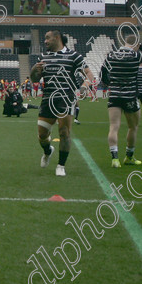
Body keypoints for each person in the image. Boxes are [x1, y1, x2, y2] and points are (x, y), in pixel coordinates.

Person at [30, 30, 93, 177]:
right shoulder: (43, 57)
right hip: (48, 99)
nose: (45, 41)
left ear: (57, 38)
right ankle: (48, 151)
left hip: (66, 99)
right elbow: (34, 80)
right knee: (42, 135)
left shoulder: (74, 56)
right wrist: (34, 70)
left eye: (47, 38)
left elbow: (89, 74)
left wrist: (84, 86)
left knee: (64, 132)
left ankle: (61, 165)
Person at [102, 30, 142, 168]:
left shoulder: (111, 55)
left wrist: (109, 83)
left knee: (113, 127)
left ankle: (114, 159)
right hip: (130, 95)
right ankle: (129, 157)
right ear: (135, 45)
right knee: (133, 127)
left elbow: (103, 73)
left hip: (114, 95)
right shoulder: (135, 55)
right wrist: (140, 46)